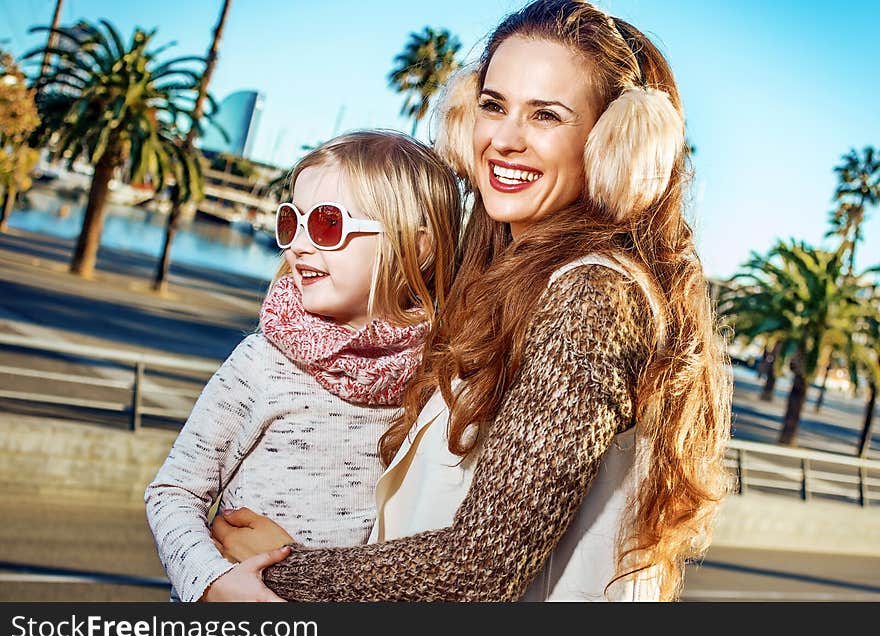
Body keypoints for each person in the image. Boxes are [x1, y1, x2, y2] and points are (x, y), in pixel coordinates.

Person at [211, 0, 733, 602]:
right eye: (493, 105)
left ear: (614, 142)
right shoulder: (513, 282)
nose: (505, 140)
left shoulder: (593, 296)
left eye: (546, 116)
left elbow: (483, 566)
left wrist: (279, 571)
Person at [144, 130, 461, 602]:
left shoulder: (437, 386)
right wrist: (214, 584)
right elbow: (172, 492)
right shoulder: (262, 361)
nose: (298, 246)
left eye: (328, 226)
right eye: (292, 223)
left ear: (417, 247)